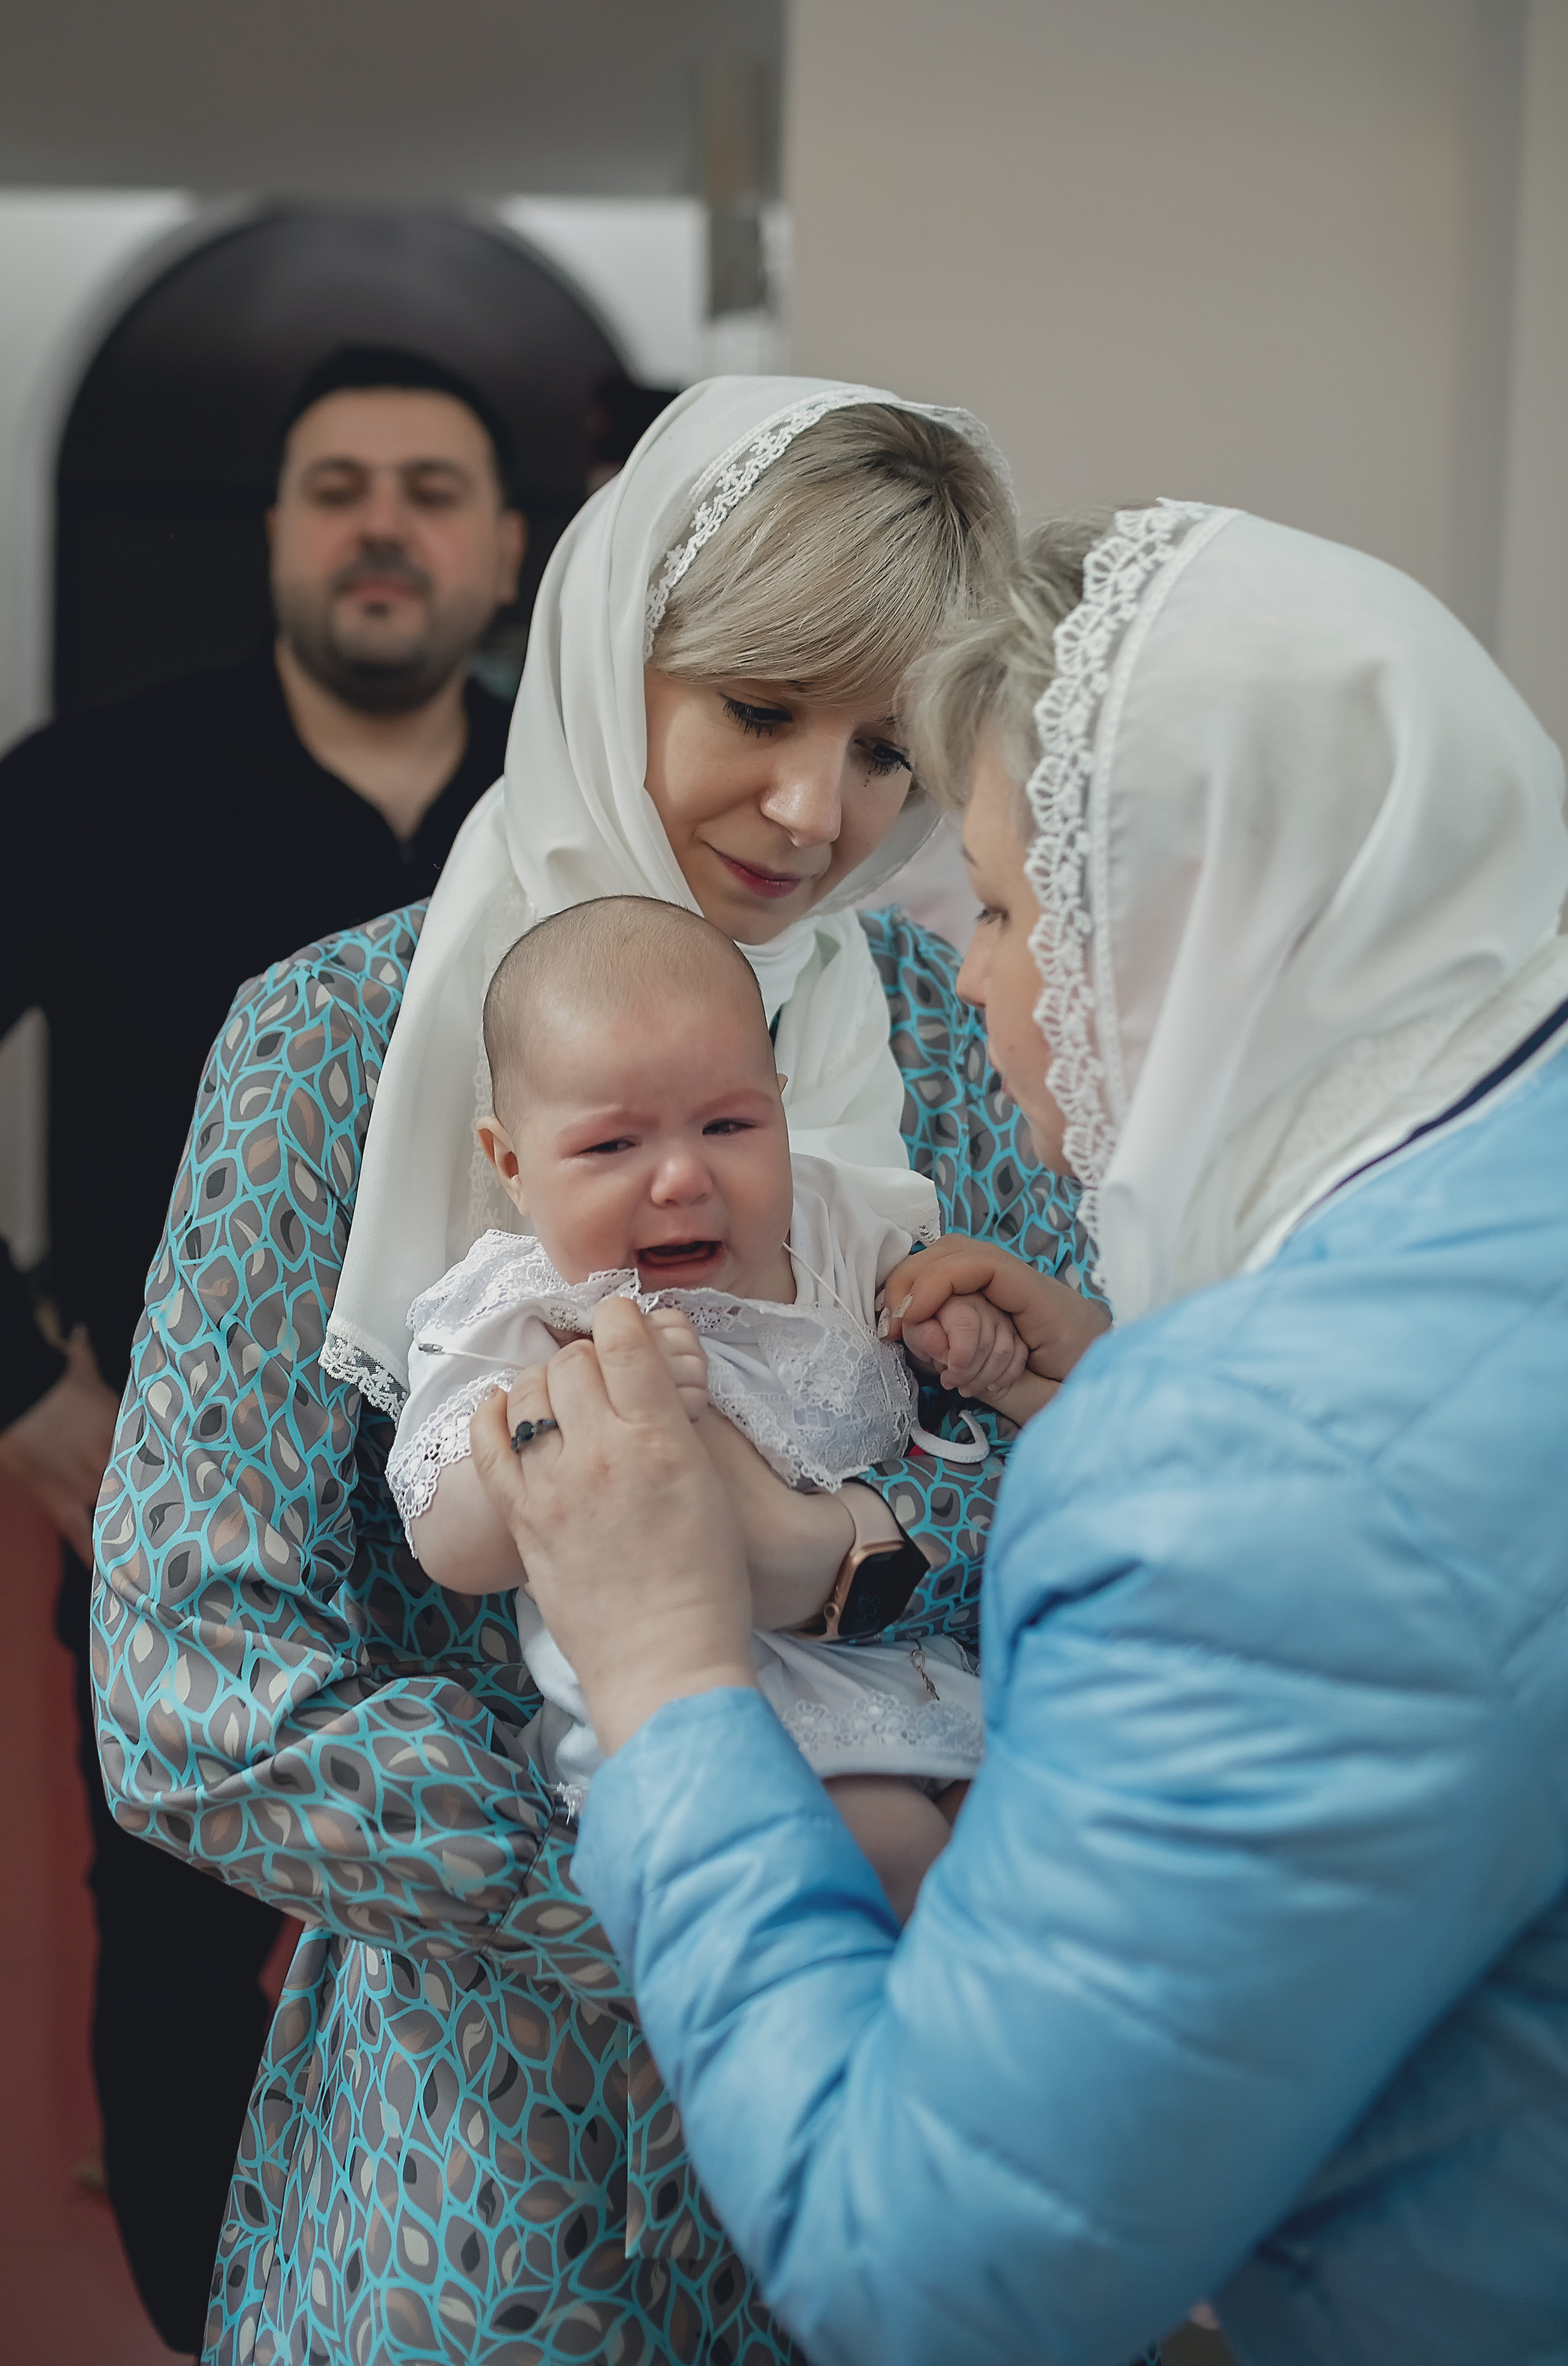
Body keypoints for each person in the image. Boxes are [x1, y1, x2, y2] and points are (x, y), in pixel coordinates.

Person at [471, 503, 1568, 2366]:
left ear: (1189, 927)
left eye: (996, 905)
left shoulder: (1250, 1467)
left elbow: (938, 2277)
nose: (974, 979)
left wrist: (663, 1675)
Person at [93, 378, 1109, 2366]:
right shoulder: (334, 1038)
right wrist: (679, 1877)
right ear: (610, 634)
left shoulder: (949, 1024)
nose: (821, 811)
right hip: (477, 2140)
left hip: (908, 2095)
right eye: (758, 709)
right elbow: (194, 1673)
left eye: (888, 746)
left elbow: (1091, 1521)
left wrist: (827, 1548)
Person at [1, 340, 522, 2351]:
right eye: (335, 486)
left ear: (500, 553)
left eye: (429, 486)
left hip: (531, 1521)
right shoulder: (95, 787)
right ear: (282, 540)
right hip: (191, 1512)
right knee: (173, 1963)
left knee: (500, 1961)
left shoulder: (582, 811)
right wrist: (37, 1407)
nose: (380, 521)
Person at [393, 896, 1010, 1915]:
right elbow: (446, 1540)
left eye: (729, 1124)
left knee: (1033, 1830)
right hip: (714, 1713)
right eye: (611, 1149)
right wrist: (579, 1410)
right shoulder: (526, 1308)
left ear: (780, 1099)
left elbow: (922, 1298)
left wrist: (957, 1328)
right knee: (887, 1851)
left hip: (915, 1677)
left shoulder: (831, 1221)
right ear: (511, 1163)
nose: (682, 1177)